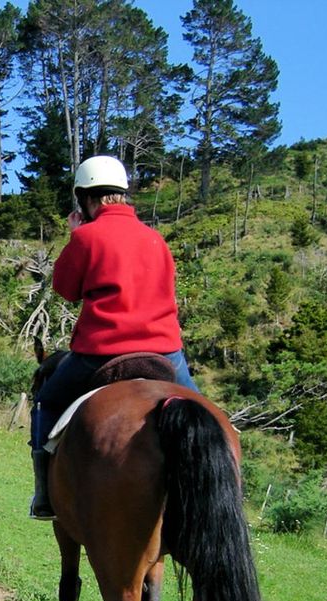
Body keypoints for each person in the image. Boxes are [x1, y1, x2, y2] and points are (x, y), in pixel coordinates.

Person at [28, 154, 199, 521]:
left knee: (45, 401)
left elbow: (66, 289)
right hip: (166, 352)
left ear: (84, 198)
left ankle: (44, 495)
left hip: (102, 352)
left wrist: (75, 236)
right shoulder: (156, 239)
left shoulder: (86, 236)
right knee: (206, 418)